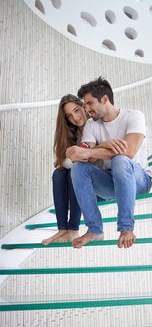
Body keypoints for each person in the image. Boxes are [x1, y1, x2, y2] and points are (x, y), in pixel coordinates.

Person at [66, 77, 152, 249]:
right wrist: (101, 146)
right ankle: (95, 229)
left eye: (89, 103)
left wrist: (90, 151)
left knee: (121, 159)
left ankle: (126, 228)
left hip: (139, 180)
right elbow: (84, 156)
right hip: (111, 181)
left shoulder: (134, 116)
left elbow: (129, 151)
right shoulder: (92, 126)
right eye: (85, 104)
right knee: (78, 169)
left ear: (105, 99)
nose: (86, 109)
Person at [42, 94, 87, 245]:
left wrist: (73, 159)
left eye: (76, 110)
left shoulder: (96, 125)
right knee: (59, 173)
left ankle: (73, 229)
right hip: (79, 174)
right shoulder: (73, 133)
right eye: (69, 115)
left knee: (75, 171)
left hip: (95, 175)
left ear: (83, 106)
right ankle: (62, 228)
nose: (75, 117)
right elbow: (63, 161)